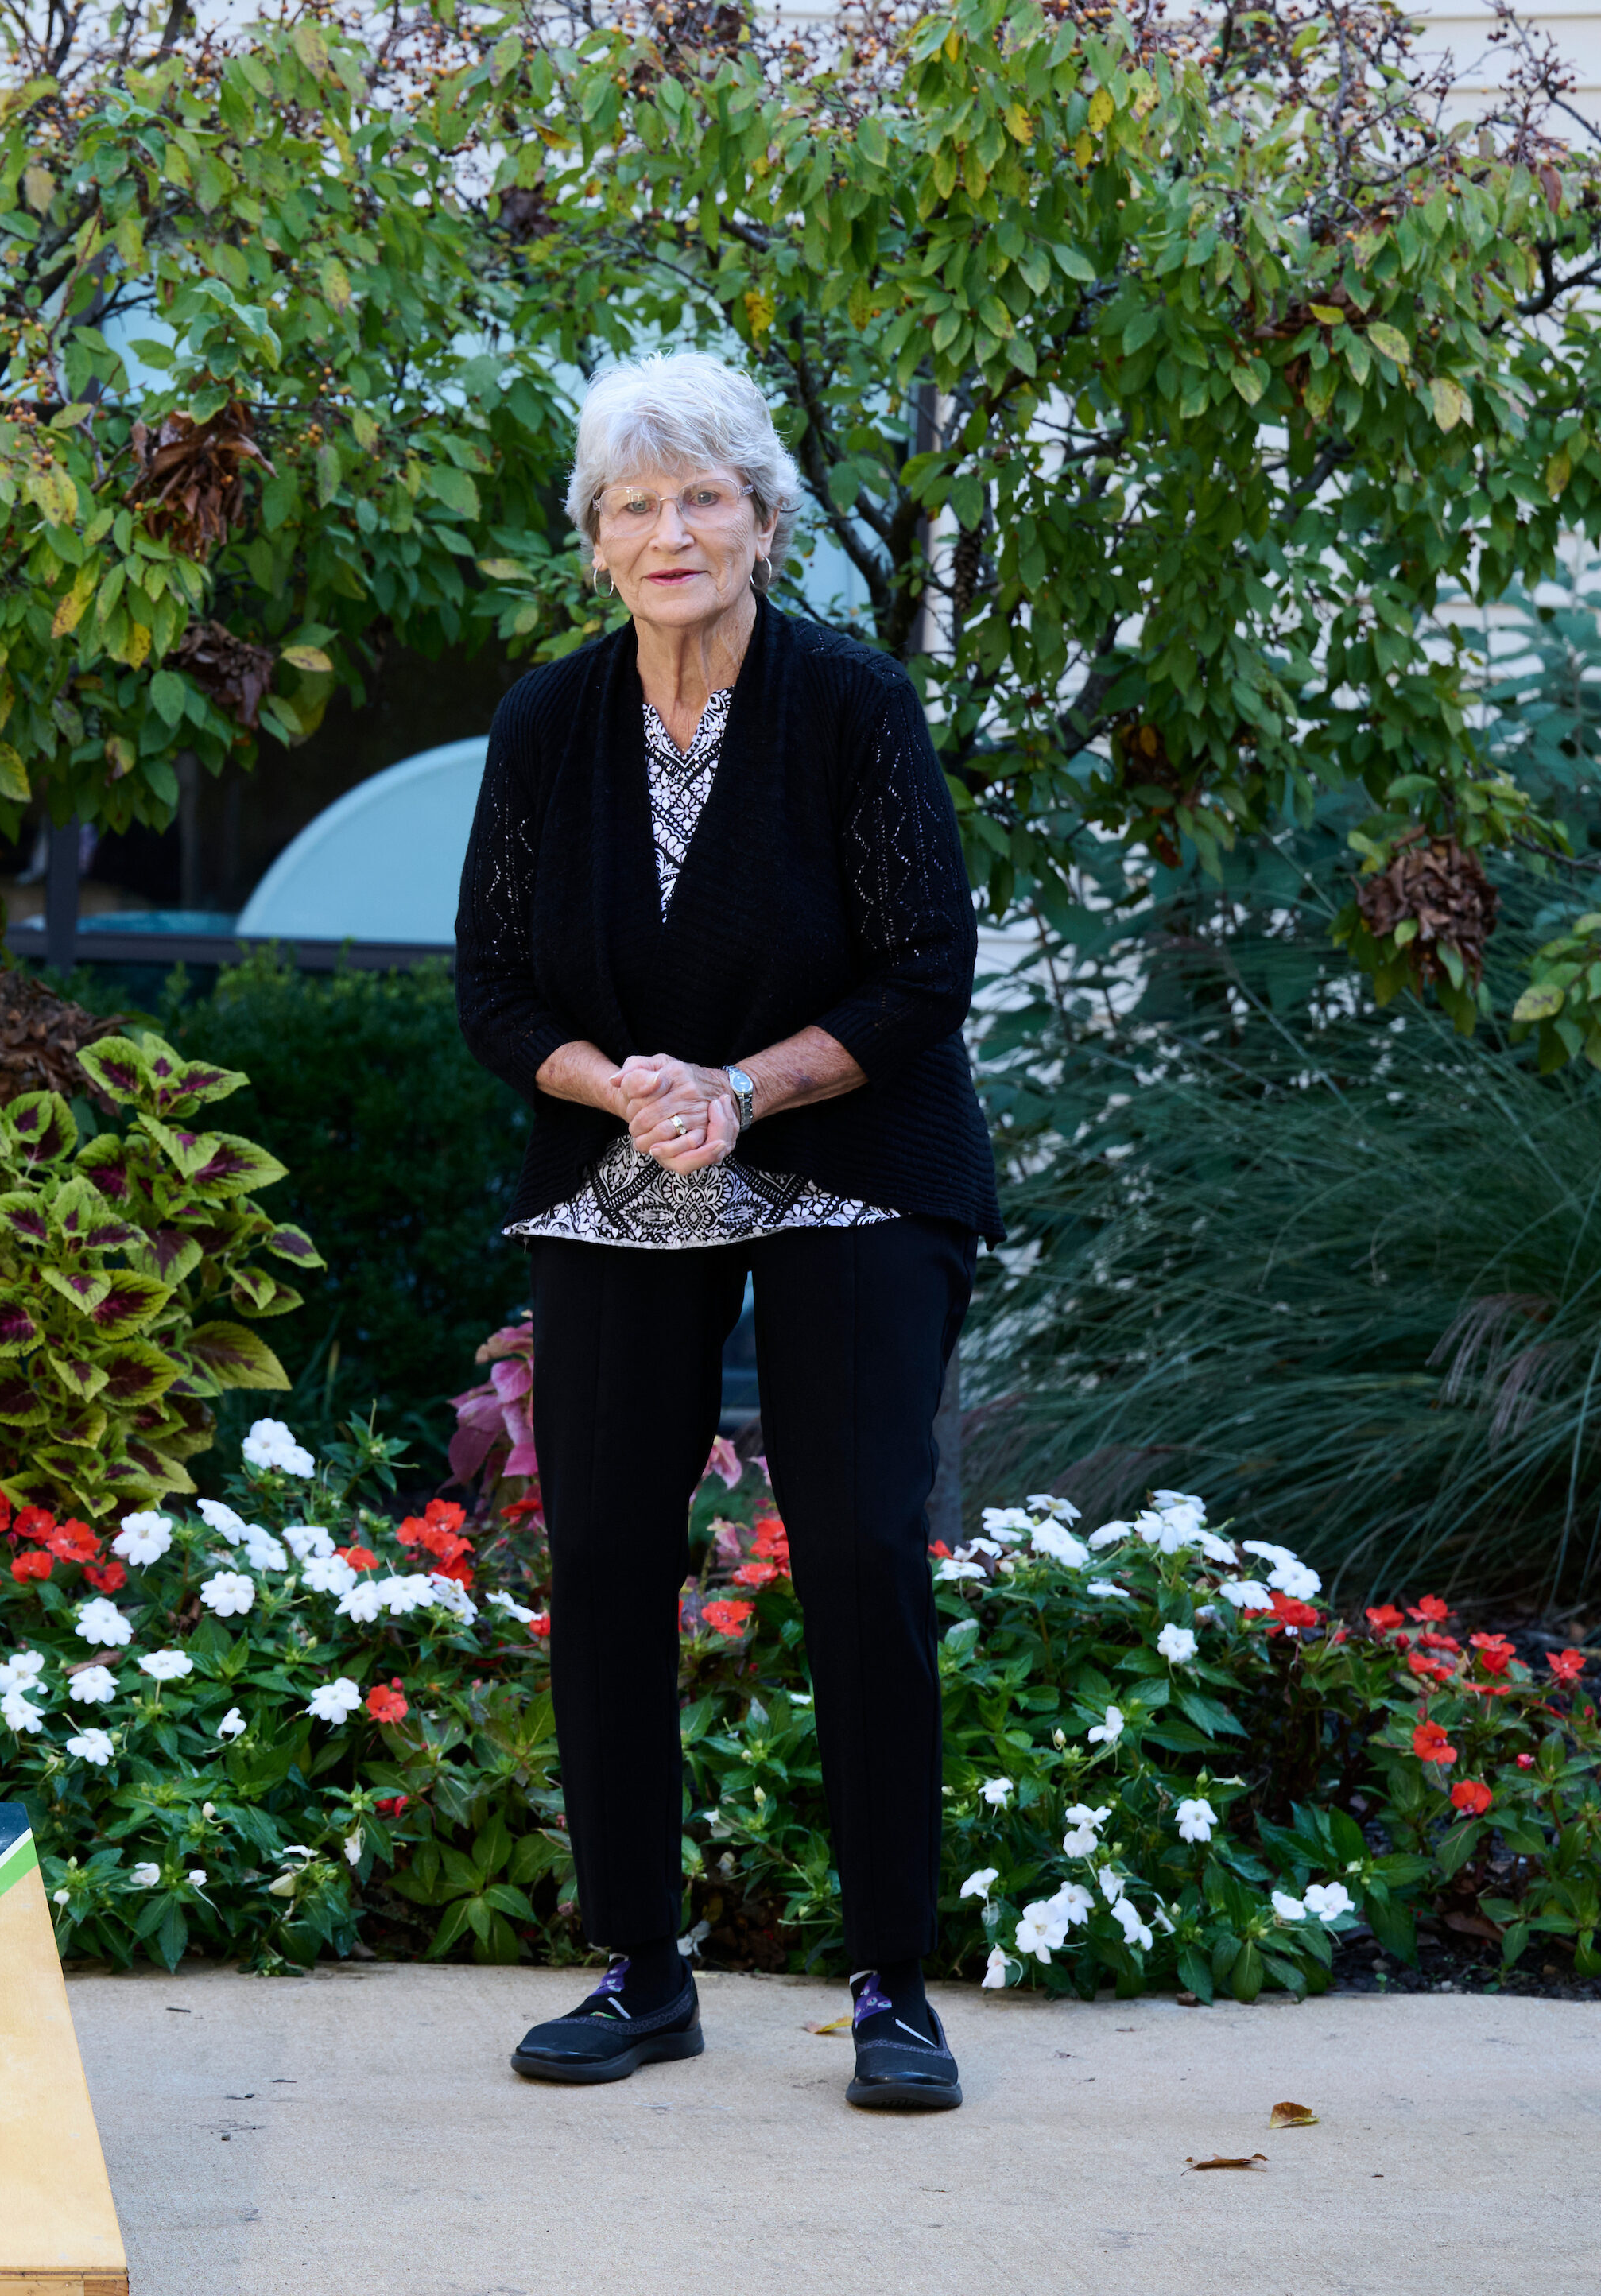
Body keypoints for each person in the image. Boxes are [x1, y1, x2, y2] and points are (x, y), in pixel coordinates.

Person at [452, 351, 998, 2113]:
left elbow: (924, 967)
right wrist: (627, 1094)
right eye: (634, 504)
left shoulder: (848, 701)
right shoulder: (547, 722)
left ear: (763, 524)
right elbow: (493, 989)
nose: (668, 530)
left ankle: (890, 1988)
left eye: (702, 497)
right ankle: (638, 1969)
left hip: (844, 1142)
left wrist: (743, 1090)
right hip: (627, 1140)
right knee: (606, 1545)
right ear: (595, 544)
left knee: (852, 1545)